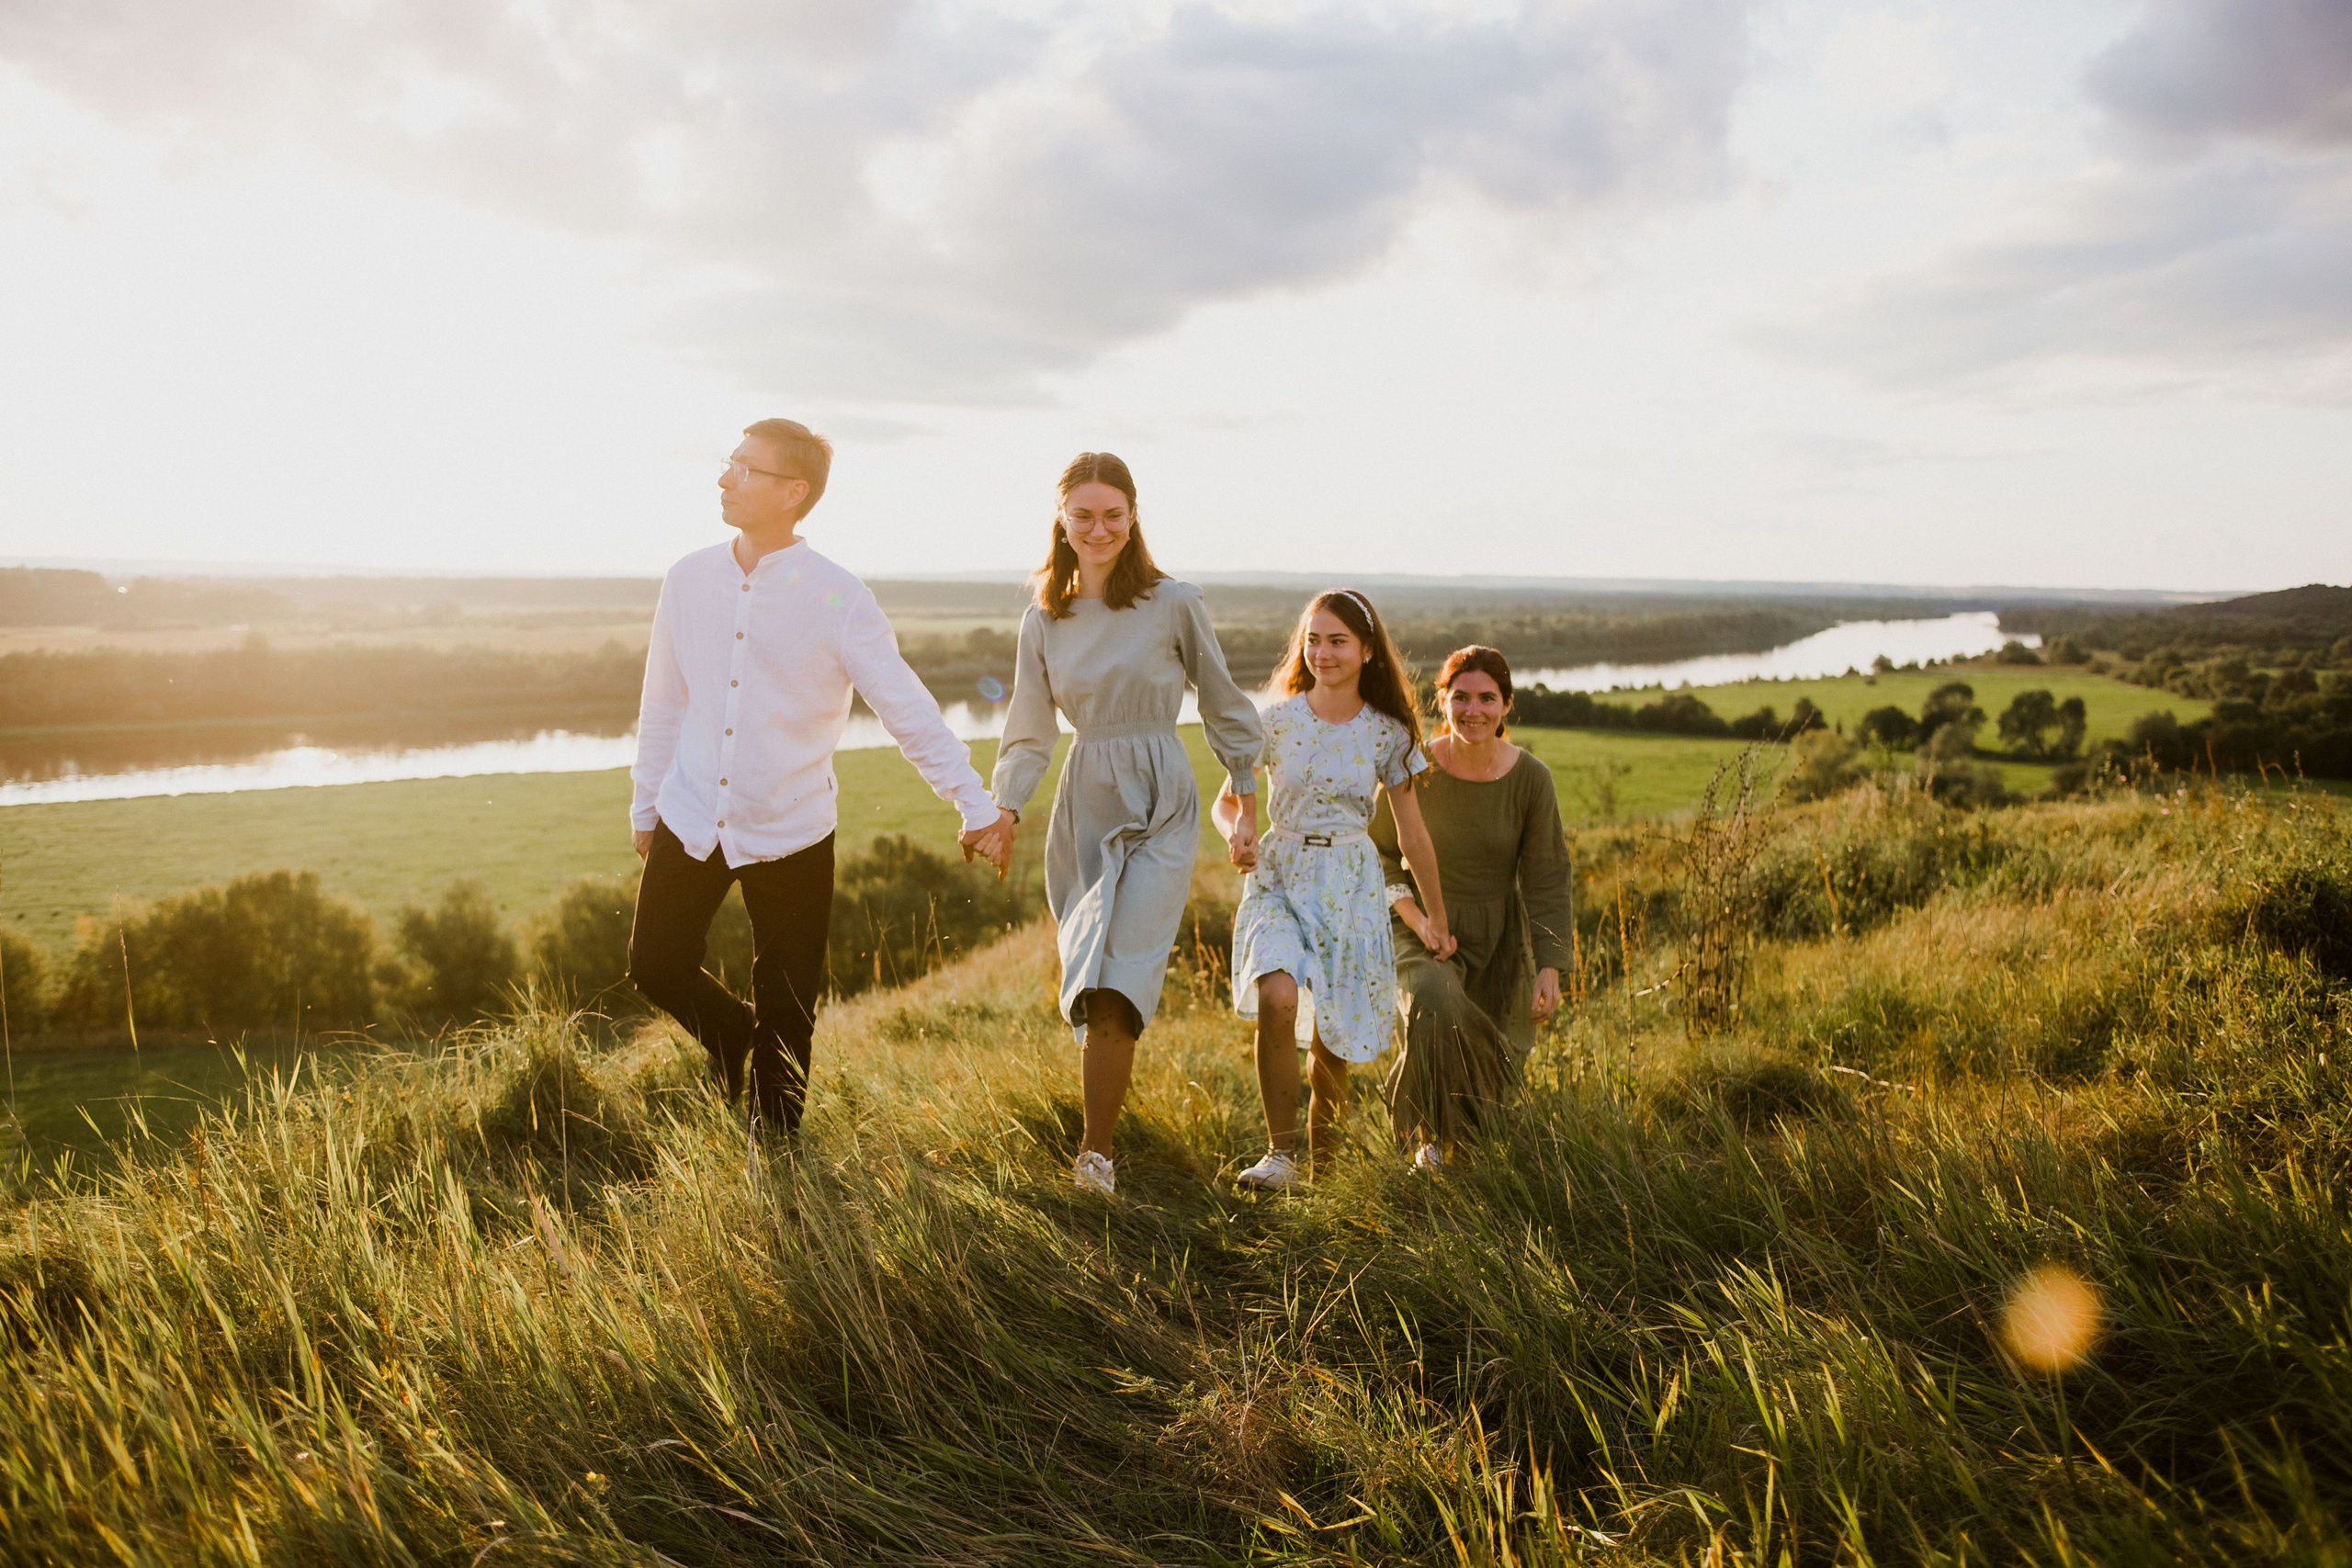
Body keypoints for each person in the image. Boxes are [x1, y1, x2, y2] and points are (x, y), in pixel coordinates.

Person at [627, 418, 1014, 1137]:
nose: (725, 477)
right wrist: (645, 804)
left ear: (793, 492)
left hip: (793, 829)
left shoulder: (839, 596)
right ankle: (729, 1032)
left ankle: (774, 1155)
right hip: (690, 811)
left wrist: (973, 801)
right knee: (655, 962)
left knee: (788, 1003)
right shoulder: (687, 578)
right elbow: (664, 699)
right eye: (729, 462)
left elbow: (905, 708)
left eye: (746, 468)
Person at [989, 452, 1263, 1198]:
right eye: (1083, 515)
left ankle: (1095, 1156)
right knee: (1088, 969)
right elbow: (1028, 730)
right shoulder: (1044, 619)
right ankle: (1101, 1123)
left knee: (1119, 976)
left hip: (1161, 800)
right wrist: (1004, 809)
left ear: (1133, 515)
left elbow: (1221, 699)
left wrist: (1244, 802)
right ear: (1062, 520)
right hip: (1086, 800)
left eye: (1113, 514)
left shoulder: (1173, 602)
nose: (1099, 528)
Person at [1218, 589, 1450, 1190]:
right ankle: (1281, 1156)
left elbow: (1413, 836)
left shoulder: (1388, 734)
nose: (1322, 653)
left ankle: (1324, 1171)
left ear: (1367, 651)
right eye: (1313, 640)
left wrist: (1436, 917)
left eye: (1338, 641)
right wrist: (1239, 831)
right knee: (1277, 994)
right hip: (1280, 873)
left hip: (1350, 882)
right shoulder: (1274, 721)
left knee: (1333, 1037)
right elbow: (1228, 802)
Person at [1372, 646, 1572, 1168]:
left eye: (1487, 698)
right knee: (1435, 1004)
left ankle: (1464, 1153)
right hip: (1419, 926)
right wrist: (1418, 918)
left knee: (1490, 1058)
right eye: (1460, 697)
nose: (1473, 710)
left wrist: (1549, 964)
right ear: (1442, 701)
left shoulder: (1532, 779)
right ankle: (1427, 1139)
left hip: (1500, 935)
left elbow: (1548, 875)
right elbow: (1379, 854)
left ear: (1507, 705)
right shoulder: (1412, 769)